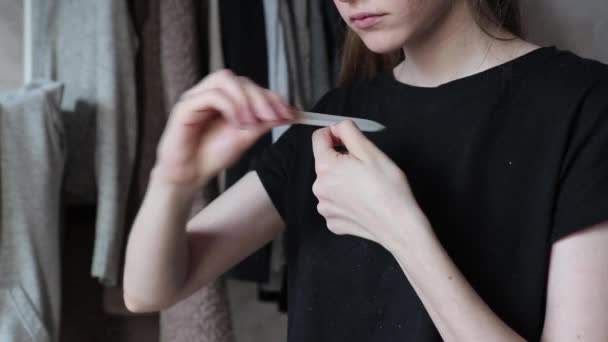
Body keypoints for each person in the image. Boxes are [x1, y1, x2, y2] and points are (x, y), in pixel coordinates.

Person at [123, 0, 608, 341]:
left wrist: (401, 232)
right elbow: (150, 290)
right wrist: (174, 178)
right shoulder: (335, 116)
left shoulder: (584, 106)